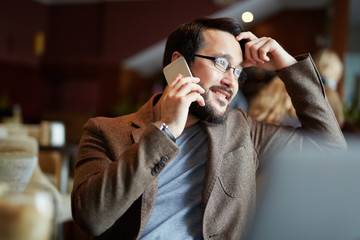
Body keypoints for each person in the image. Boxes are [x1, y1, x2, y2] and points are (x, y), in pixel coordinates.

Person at [71, 17, 346, 240]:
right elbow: (92, 219)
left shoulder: (243, 130)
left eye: (237, 71)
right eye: (223, 63)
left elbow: (330, 149)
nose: (232, 82)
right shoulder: (104, 131)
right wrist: (165, 130)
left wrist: (286, 65)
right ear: (178, 63)